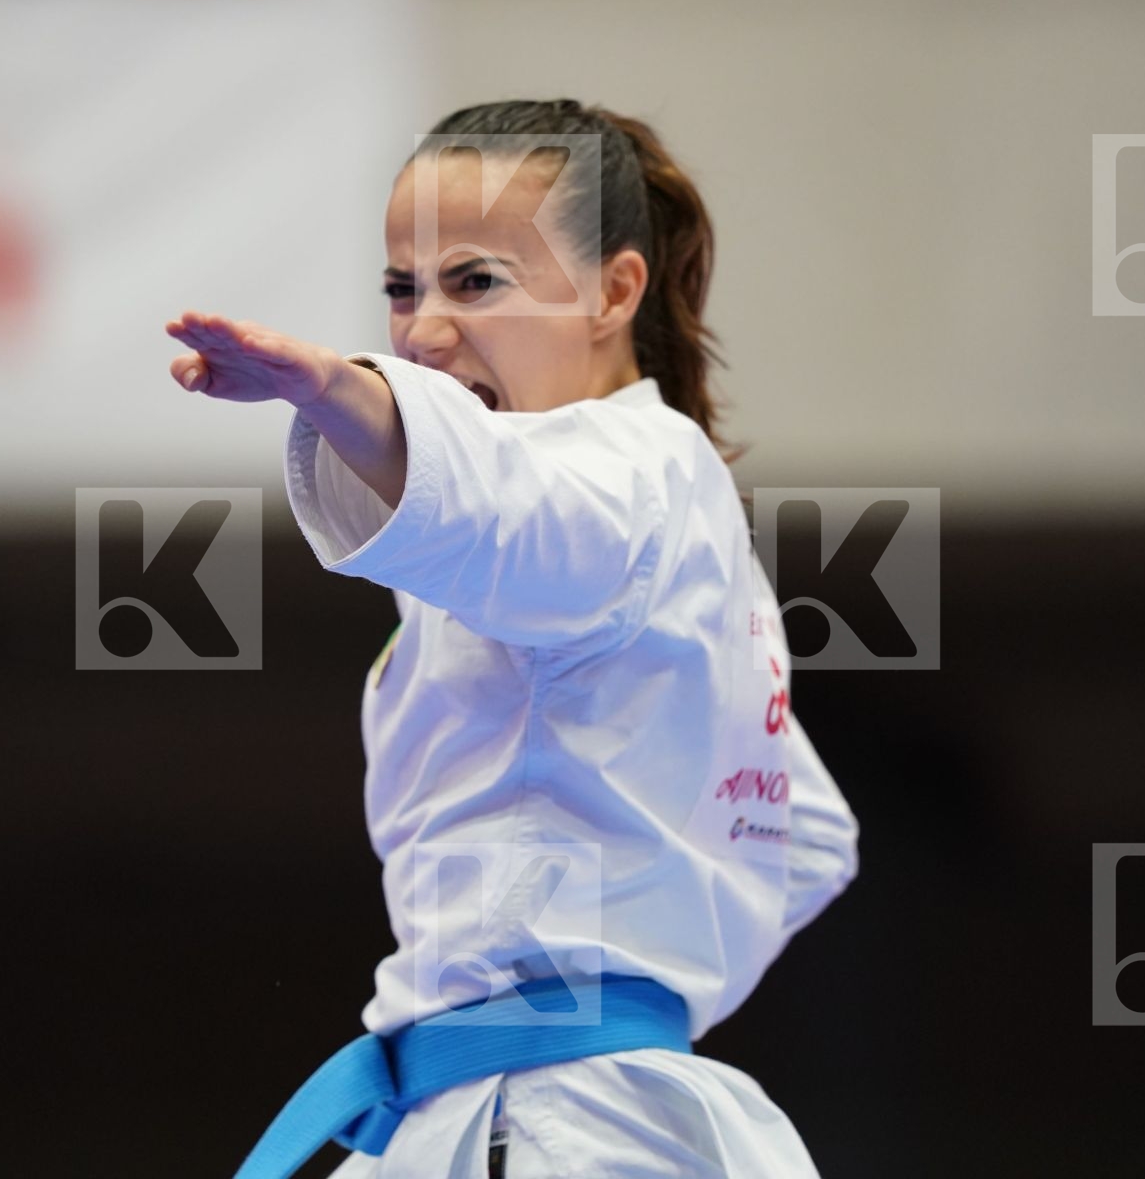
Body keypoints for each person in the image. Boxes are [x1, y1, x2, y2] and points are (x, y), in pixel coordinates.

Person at [165, 98, 858, 1179]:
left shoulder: (630, 473)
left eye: (476, 282)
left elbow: (492, 504)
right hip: (544, 1108)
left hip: (553, 1125)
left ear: (613, 291)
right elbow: (804, 837)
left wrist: (333, 388)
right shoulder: (666, 513)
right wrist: (651, 969)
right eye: (404, 288)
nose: (426, 329)